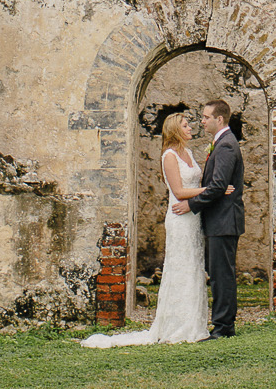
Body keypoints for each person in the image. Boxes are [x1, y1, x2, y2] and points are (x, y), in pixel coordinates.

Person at [79, 112, 221, 347]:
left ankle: (194, 323)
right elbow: (178, 191)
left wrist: (205, 190)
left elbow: (195, 181)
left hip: (193, 217)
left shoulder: (189, 153)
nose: (190, 128)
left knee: (194, 266)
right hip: (179, 216)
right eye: (185, 126)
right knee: (180, 266)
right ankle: (176, 325)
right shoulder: (169, 156)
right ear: (175, 130)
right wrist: (211, 190)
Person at [175, 98, 244, 339]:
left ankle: (224, 327)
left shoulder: (225, 145)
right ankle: (223, 324)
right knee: (218, 274)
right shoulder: (221, 142)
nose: (202, 121)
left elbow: (217, 186)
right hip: (219, 220)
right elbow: (216, 186)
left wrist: (191, 205)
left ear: (219, 119)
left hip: (224, 220)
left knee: (222, 275)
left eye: (206, 117)